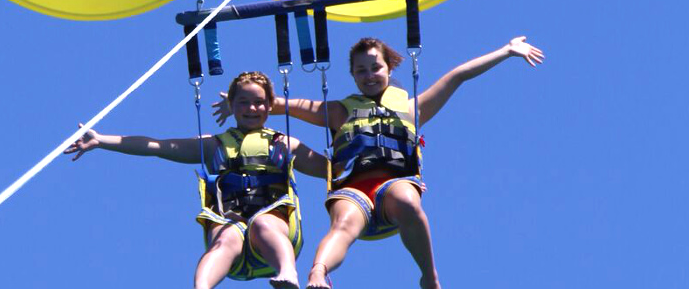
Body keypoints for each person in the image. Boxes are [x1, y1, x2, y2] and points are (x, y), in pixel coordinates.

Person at [214, 36, 545, 289]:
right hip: (352, 189)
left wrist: (506, 51)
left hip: (393, 187)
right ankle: (318, 272)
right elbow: (279, 104)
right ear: (353, 75)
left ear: (389, 68)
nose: (369, 74)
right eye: (361, 70)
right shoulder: (340, 111)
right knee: (343, 224)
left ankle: (428, 276)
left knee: (407, 200)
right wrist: (238, 103)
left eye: (375, 67)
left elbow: (458, 75)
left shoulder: (413, 108)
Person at [67, 71, 329, 289]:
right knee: (226, 238)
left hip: (275, 225)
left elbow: (331, 171)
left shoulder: (284, 143)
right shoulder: (214, 145)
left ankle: (288, 274)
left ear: (271, 106)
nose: (252, 108)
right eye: (244, 102)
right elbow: (157, 146)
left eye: (259, 102)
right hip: (230, 223)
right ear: (233, 106)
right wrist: (102, 141)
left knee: (262, 224)